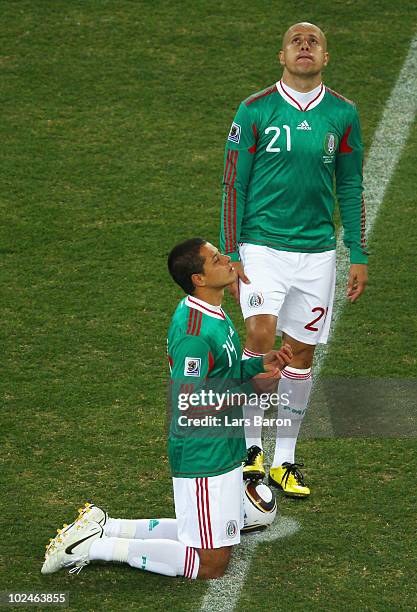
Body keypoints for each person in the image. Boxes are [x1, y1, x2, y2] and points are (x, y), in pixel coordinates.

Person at [41, 238, 292, 579]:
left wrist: (257, 366)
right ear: (198, 280)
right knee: (211, 564)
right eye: (216, 259)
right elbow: (188, 403)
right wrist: (251, 389)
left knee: (204, 539)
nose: (226, 260)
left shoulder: (212, 313)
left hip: (221, 446)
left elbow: (223, 374)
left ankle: (103, 525)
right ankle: (88, 547)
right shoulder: (194, 333)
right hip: (204, 453)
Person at [219, 22, 368, 497]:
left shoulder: (343, 114)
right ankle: (249, 451)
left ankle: (284, 459)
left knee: (301, 355)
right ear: (281, 55)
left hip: (317, 253)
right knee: (262, 338)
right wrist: (232, 251)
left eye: (314, 41)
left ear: (325, 57)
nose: (305, 46)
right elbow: (233, 184)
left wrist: (358, 253)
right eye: (296, 41)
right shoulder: (255, 109)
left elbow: (349, 184)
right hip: (262, 246)